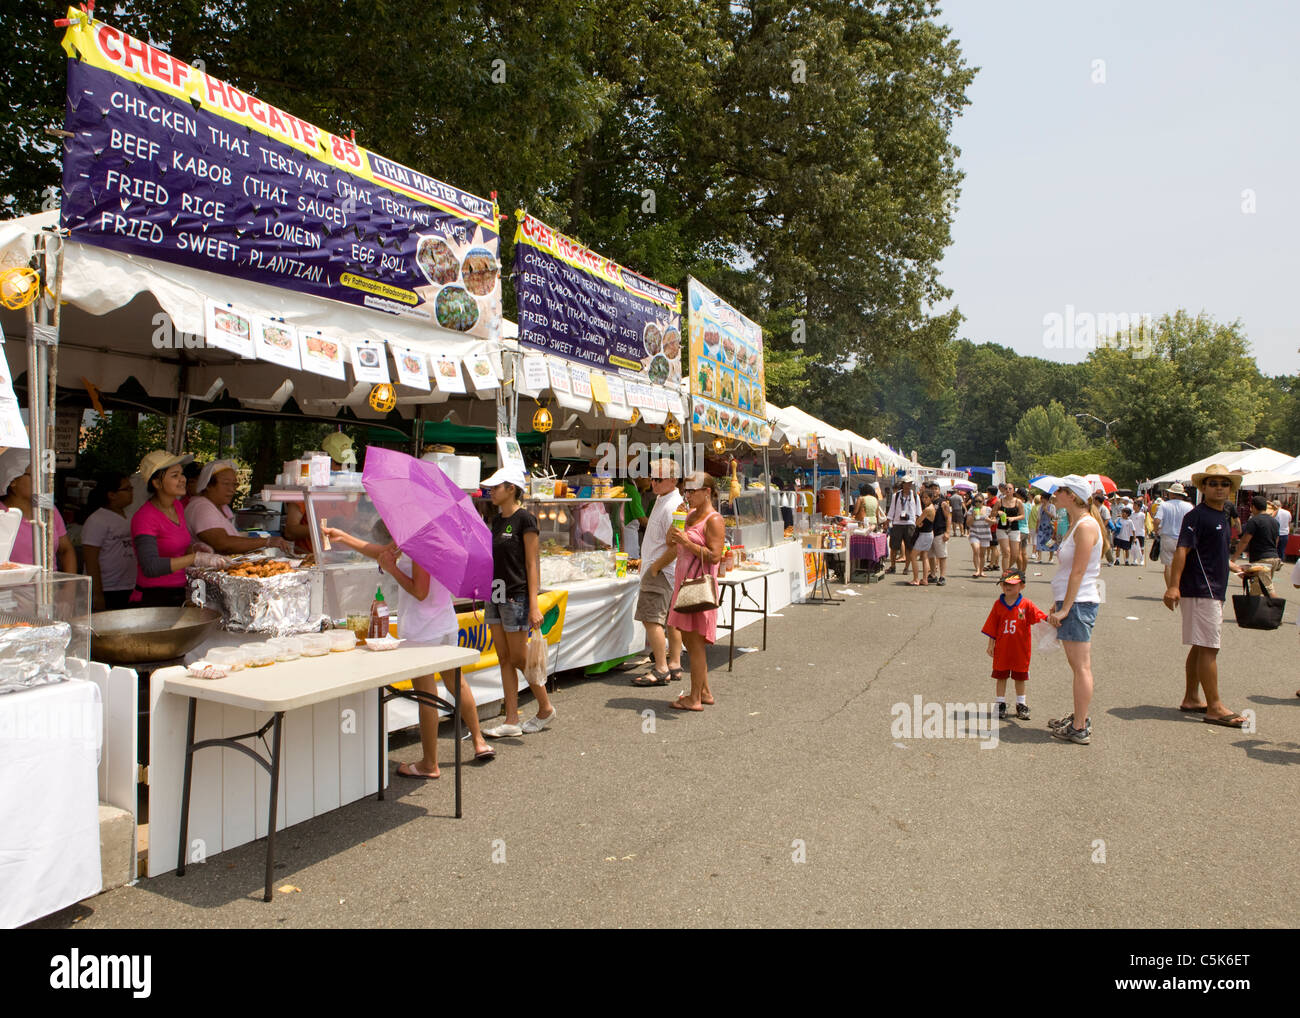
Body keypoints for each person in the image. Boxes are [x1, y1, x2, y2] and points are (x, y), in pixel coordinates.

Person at [324, 521, 494, 772]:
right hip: (444, 623)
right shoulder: (431, 535)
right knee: (456, 682)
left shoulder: (420, 543)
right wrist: (344, 537)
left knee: (427, 695)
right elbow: (382, 551)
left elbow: (420, 591)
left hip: (423, 631)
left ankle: (429, 764)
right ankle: (479, 741)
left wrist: (392, 569)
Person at [1163, 464, 1247, 728]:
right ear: (1203, 488)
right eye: (1213, 483)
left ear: (1231, 489)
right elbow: (1182, 550)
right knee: (1210, 646)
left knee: (1200, 645)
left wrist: (1234, 567)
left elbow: (1213, 552)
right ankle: (1215, 706)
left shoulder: (1222, 516)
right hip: (1202, 589)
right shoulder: (1197, 516)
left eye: (1224, 484)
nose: (1219, 488)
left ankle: (1191, 697)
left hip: (1213, 587)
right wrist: (1173, 586)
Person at [479, 467, 557, 738]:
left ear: (511, 488)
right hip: (495, 594)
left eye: (496, 487)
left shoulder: (525, 519)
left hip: (517, 595)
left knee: (518, 657)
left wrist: (534, 604)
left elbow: (531, 563)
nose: (491, 492)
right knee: (504, 659)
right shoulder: (496, 520)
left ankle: (545, 706)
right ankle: (511, 719)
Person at [1045, 475, 1103, 745]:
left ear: (1072, 495)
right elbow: (1070, 570)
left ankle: (1079, 725)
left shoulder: (1085, 526)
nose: (1055, 494)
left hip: (1079, 602)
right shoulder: (1077, 523)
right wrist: (1060, 602)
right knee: (1078, 665)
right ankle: (1080, 716)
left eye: (1060, 491)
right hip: (1074, 600)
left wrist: (1066, 607)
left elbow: (1079, 571)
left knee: (1081, 666)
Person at [130, 451, 226, 607]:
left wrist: (193, 548)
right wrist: (195, 558)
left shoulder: (177, 506)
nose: (183, 479)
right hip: (153, 599)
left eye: (182, 474)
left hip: (178, 592)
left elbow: (174, 548)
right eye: (175, 476)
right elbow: (150, 566)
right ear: (156, 483)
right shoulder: (145, 517)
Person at [664, 471, 725, 711]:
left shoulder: (714, 519)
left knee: (695, 642)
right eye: (686, 491)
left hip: (698, 587)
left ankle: (695, 698)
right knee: (689, 639)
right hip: (685, 585)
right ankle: (705, 692)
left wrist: (687, 542)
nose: (687, 495)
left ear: (707, 492)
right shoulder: (688, 515)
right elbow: (671, 543)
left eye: (692, 491)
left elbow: (715, 555)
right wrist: (676, 525)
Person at [631, 459, 684, 686]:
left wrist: (654, 567)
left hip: (661, 571)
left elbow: (675, 546)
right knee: (671, 621)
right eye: (652, 478)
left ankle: (661, 667)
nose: (653, 483)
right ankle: (674, 663)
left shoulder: (672, 505)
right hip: (664, 570)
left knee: (651, 620)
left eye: (659, 479)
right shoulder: (665, 499)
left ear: (673, 480)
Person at [186, 459, 293, 557]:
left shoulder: (221, 506)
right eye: (226, 484)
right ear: (208, 485)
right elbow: (222, 543)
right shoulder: (201, 507)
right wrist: (267, 541)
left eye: (234, 485)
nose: (231, 489)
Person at [982, 567, 1048, 720]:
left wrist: (1052, 618)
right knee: (1001, 676)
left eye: (1011, 584)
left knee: (1020, 677)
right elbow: (992, 626)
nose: (1007, 587)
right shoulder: (998, 604)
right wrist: (990, 644)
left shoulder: (1026, 604)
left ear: (1022, 586)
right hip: (1002, 648)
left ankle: (1021, 703)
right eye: (1004, 584)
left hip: (1020, 649)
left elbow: (1039, 617)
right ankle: (1000, 703)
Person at [0, 450, 77, 573]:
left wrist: (69, 587)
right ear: (12, 480)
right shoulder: (2, 514)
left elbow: (66, 549)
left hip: (48, 589)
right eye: (35, 474)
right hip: (11, 591)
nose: (41, 480)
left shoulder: (46, 506)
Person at [81, 472, 137, 610]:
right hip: (108, 587)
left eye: (131, 488)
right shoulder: (97, 520)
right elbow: (91, 560)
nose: (131, 492)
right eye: (126, 489)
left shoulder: (130, 515)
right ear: (112, 495)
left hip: (129, 585)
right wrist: (97, 594)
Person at [1235, 495, 1281, 597]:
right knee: (1258, 589)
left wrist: (1234, 557)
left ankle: (1275, 608)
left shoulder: (1254, 520)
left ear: (1253, 507)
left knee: (1266, 587)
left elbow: (1244, 541)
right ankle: (1255, 611)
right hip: (1273, 557)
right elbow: (1276, 540)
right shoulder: (1275, 522)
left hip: (1262, 559)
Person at [1156, 482, 1193, 588]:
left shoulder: (1164, 505)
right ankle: (1179, 588)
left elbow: (1157, 520)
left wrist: (1156, 531)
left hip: (1167, 536)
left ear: (1172, 494)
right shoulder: (1189, 506)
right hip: (1183, 538)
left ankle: (1170, 588)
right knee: (1182, 564)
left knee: (1168, 565)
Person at [885, 476, 920, 574]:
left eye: (910, 483)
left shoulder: (915, 496)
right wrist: (888, 521)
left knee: (909, 547)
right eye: (906, 483)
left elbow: (918, 511)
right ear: (902, 484)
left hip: (910, 524)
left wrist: (917, 522)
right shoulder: (896, 496)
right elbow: (892, 509)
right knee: (893, 547)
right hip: (897, 523)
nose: (908, 485)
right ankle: (892, 566)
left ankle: (906, 568)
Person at [908, 490, 935, 586]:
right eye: (923, 497)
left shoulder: (927, 509)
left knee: (913, 555)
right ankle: (924, 579)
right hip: (928, 534)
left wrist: (918, 523)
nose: (924, 499)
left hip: (925, 535)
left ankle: (916, 579)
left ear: (931, 498)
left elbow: (917, 522)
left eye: (926, 497)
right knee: (924, 556)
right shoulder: (930, 508)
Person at [928, 486, 951, 585]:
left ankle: (942, 576)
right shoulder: (927, 502)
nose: (934, 491)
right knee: (930, 555)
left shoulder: (943, 503)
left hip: (940, 531)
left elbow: (948, 517)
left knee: (942, 555)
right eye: (932, 489)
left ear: (939, 490)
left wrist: (947, 532)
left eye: (936, 489)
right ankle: (932, 574)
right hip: (929, 532)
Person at [967, 492, 993, 577]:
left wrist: (989, 521)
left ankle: (981, 571)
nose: (978, 503)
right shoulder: (971, 509)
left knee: (982, 554)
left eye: (980, 501)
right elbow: (968, 523)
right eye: (976, 501)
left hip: (985, 533)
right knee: (976, 549)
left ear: (983, 501)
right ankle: (977, 570)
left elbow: (993, 522)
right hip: (974, 532)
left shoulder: (988, 509)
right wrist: (973, 517)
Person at [1035, 492, 1057, 565]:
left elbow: (1054, 516)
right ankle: (1039, 558)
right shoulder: (1040, 507)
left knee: (1050, 542)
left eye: (1042, 498)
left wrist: (1046, 511)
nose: (1041, 500)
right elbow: (1038, 518)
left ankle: (1050, 558)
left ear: (1046, 499)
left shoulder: (1052, 506)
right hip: (1041, 526)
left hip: (1049, 526)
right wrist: (1037, 526)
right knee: (1039, 541)